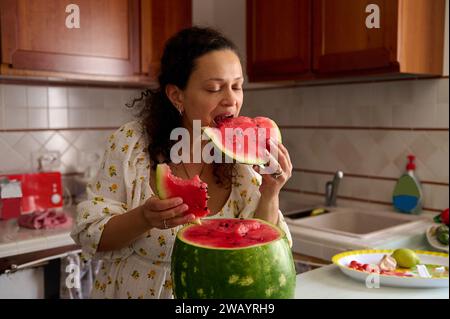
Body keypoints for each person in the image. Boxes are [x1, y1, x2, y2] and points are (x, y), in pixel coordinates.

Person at [71, 26, 293, 299]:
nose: (231, 100)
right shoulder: (132, 143)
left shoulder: (242, 158)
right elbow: (91, 235)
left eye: (237, 86)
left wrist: (271, 190)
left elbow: (259, 252)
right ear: (177, 95)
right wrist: (143, 218)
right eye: (214, 88)